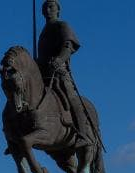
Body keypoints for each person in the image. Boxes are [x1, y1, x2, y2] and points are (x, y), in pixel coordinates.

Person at [36, 0, 95, 147]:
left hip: (59, 72)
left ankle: (83, 134)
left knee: (71, 98)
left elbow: (68, 46)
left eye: (51, 7)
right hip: (43, 74)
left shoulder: (62, 26)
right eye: (45, 8)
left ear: (57, 10)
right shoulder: (43, 33)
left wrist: (59, 59)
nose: (48, 10)